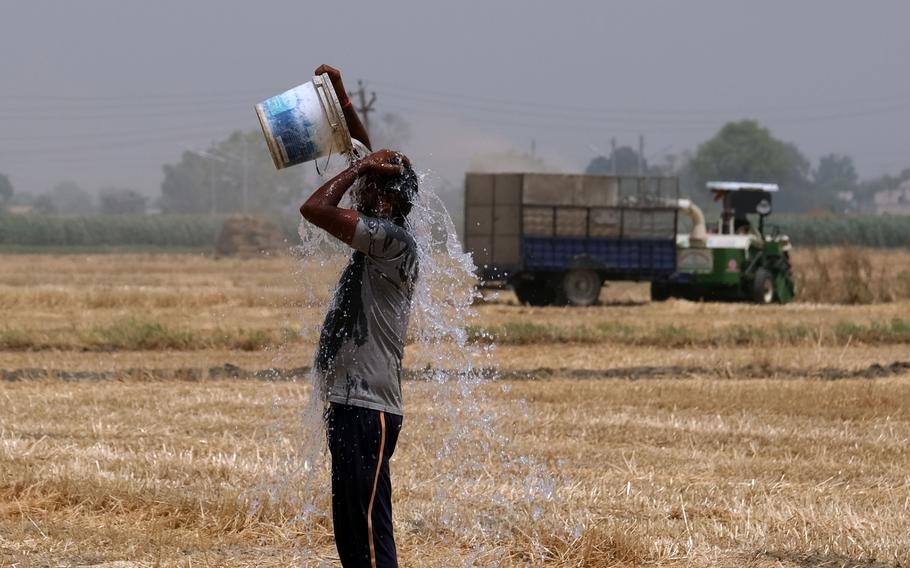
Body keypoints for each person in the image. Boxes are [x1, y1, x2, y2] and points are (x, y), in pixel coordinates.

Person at [300, 64, 419, 568]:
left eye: (371, 189)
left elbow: (315, 208)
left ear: (390, 202)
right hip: (351, 404)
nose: (360, 193)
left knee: (369, 536)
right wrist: (343, 102)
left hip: (369, 410)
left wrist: (361, 170)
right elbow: (365, 159)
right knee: (353, 537)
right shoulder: (385, 232)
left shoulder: (391, 241)